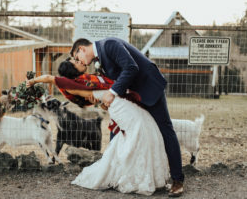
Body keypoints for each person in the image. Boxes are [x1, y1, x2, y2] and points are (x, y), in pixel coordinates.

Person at [26, 58, 170, 196]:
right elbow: (49, 78)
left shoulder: (87, 79)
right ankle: (134, 176)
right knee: (138, 134)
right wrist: (32, 81)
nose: (80, 61)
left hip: (122, 104)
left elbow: (103, 95)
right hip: (121, 108)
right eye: (75, 62)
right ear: (71, 69)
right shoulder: (69, 83)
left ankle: (130, 173)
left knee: (140, 132)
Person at [70, 37, 184, 197]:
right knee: (117, 132)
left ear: (82, 49)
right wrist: (100, 97)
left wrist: (112, 92)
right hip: (130, 96)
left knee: (165, 130)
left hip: (148, 89)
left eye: (77, 58)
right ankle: (116, 175)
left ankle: (178, 180)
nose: (80, 62)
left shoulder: (109, 44)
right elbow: (112, 81)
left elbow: (131, 67)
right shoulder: (99, 59)